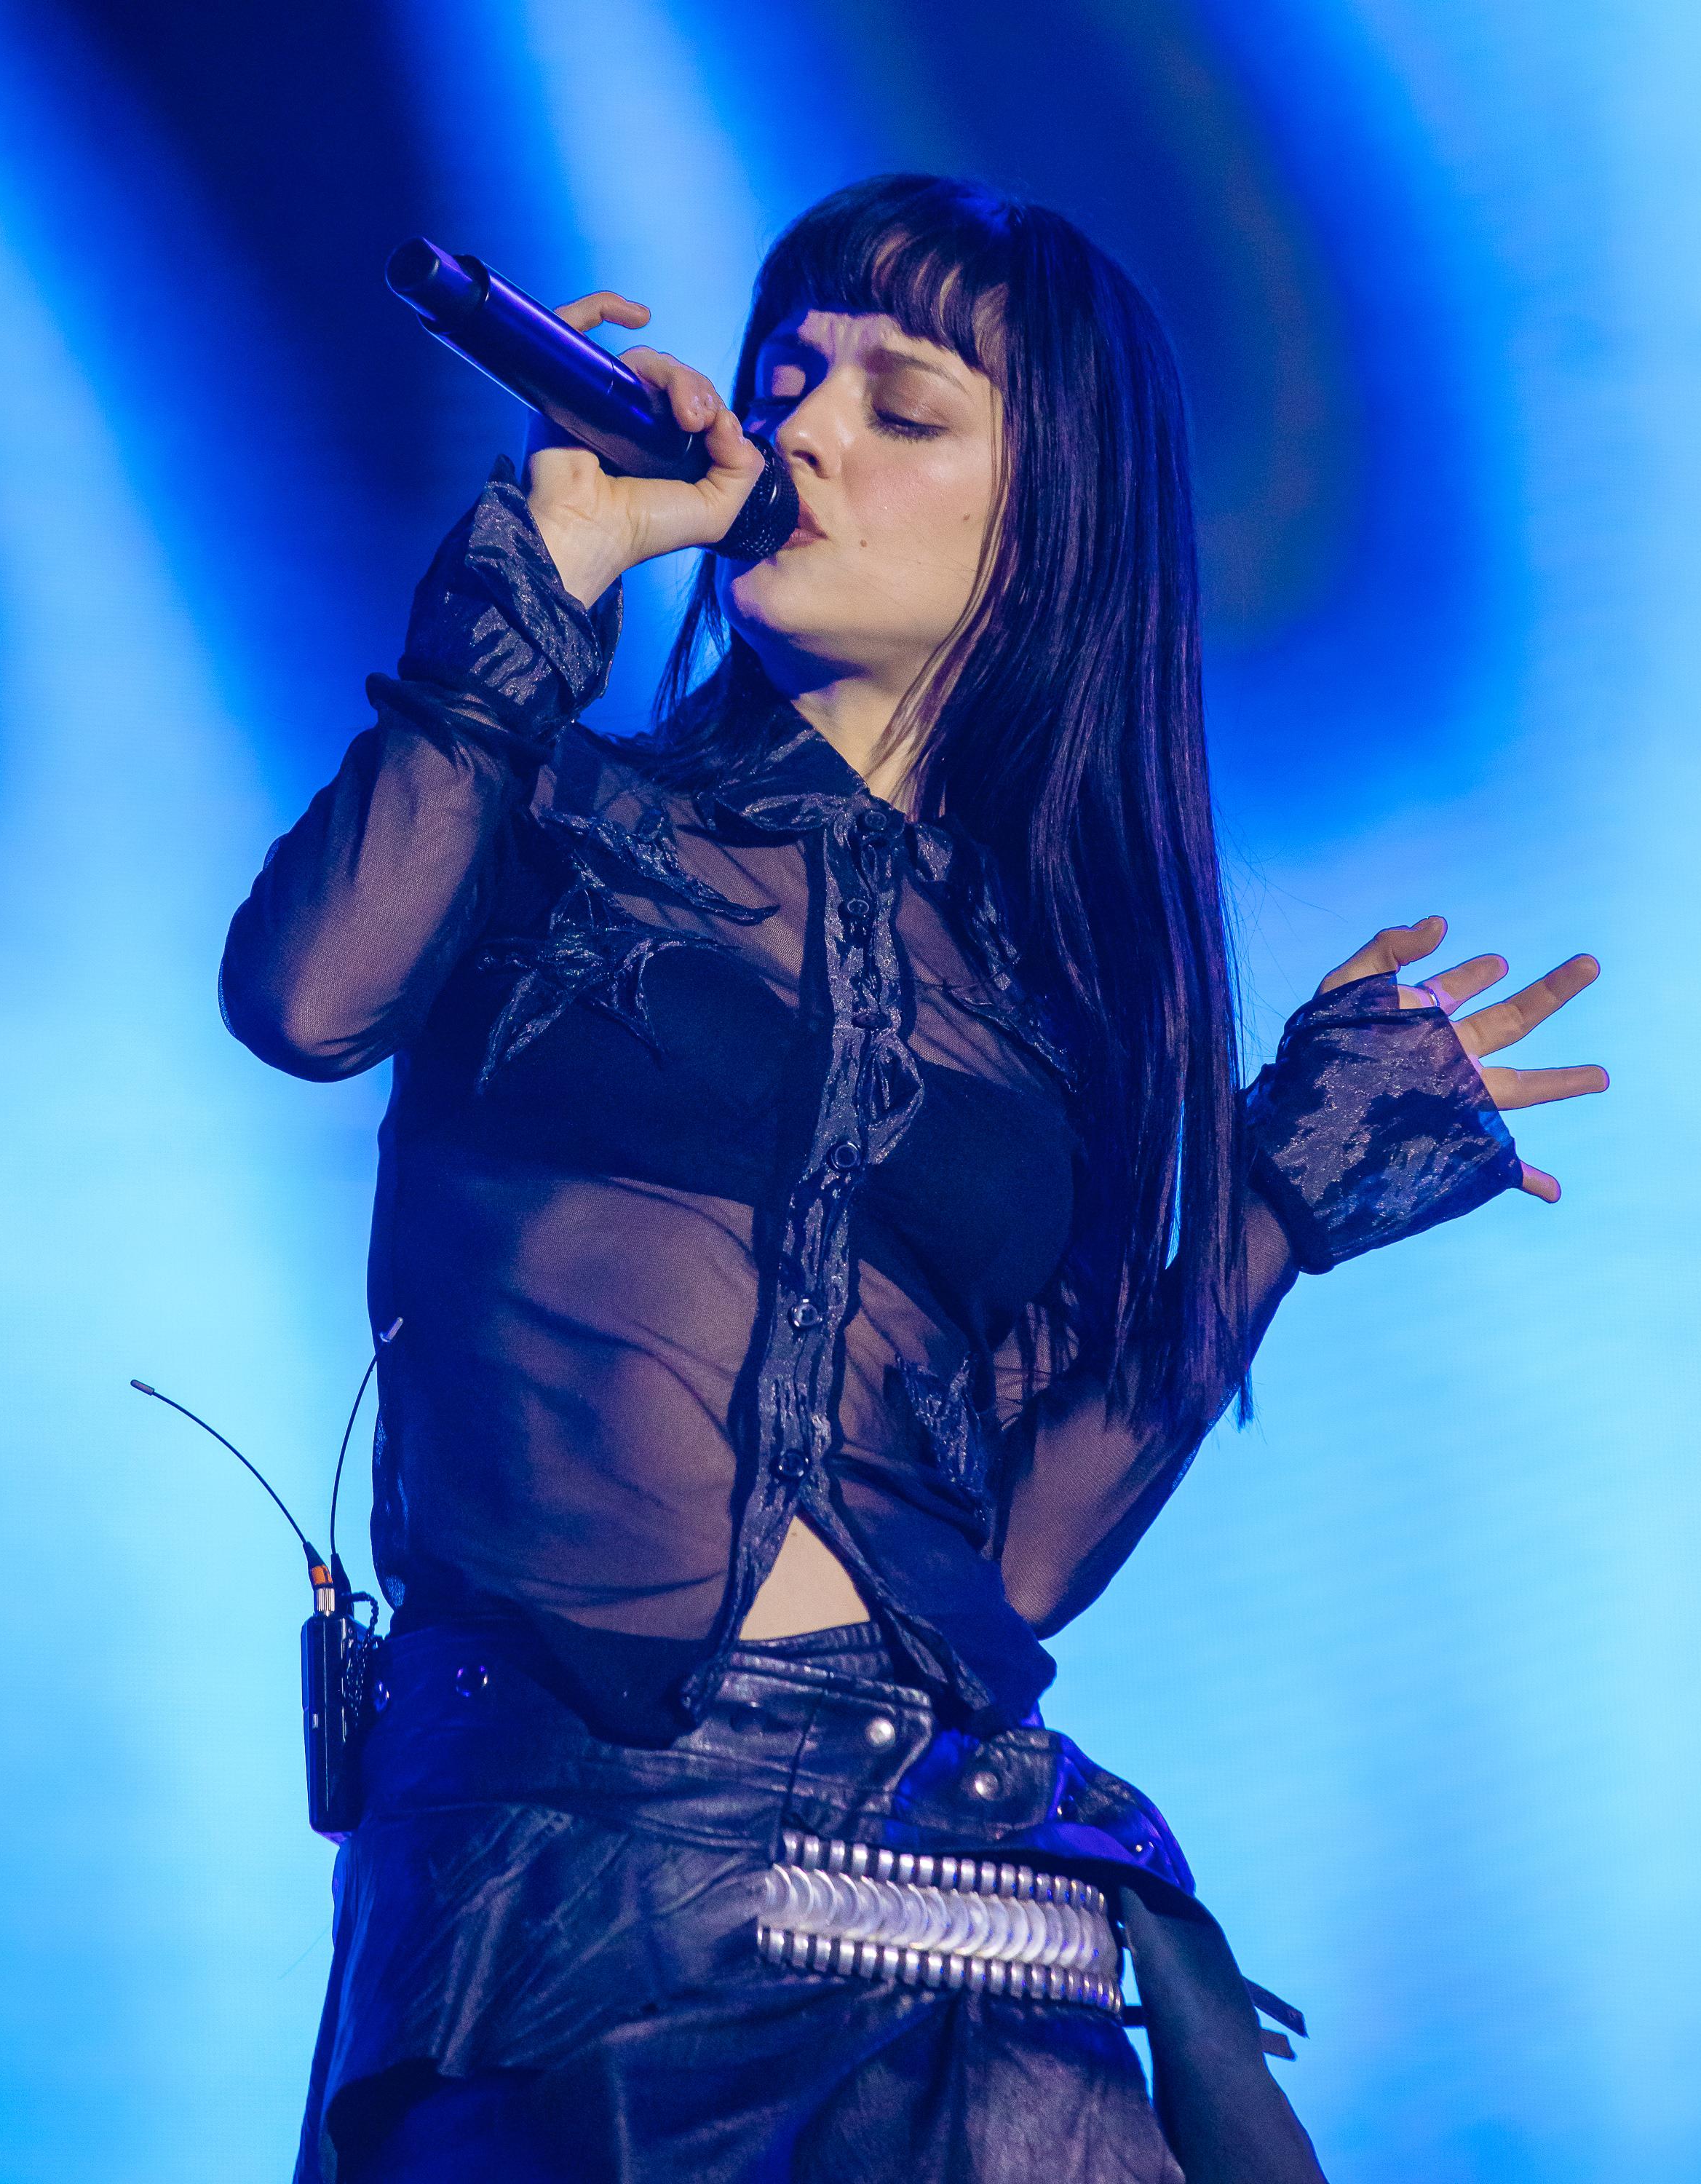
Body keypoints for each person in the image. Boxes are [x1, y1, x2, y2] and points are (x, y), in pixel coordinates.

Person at [222, 175, 1606, 2184]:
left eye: (903, 406)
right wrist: (544, 568)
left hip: (953, 1907)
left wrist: (1274, 1202)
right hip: (567, 1906)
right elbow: (309, 999)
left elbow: (1008, 1564)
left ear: (1049, 527)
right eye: (788, 374)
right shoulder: (546, 813)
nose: (802, 430)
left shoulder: (1050, 1014)